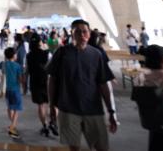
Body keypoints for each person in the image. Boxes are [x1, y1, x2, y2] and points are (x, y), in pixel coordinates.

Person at [47, 19, 117, 151]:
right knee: (74, 147)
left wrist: (111, 110)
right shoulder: (62, 53)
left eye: (85, 31)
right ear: (72, 34)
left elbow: (103, 84)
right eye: (77, 31)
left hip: (93, 109)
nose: (81, 34)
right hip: (68, 109)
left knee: (102, 146)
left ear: (89, 34)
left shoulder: (96, 55)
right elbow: (52, 80)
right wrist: (52, 106)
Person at [26, 33, 57, 138]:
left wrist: (24, 84)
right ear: (40, 42)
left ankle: (45, 126)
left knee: (41, 105)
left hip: (35, 82)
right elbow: (52, 67)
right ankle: (53, 123)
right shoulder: (46, 54)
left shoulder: (29, 55)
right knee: (52, 103)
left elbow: (27, 70)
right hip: (47, 81)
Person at [0, 47, 25, 139]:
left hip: (6, 90)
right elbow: (20, 79)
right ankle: (12, 128)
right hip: (15, 90)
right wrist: (23, 83)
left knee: (9, 108)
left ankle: (12, 124)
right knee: (16, 109)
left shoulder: (3, 64)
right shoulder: (17, 66)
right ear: (14, 55)